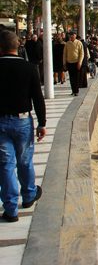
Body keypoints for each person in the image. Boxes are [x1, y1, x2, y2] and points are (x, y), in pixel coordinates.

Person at [0, 30, 46, 222]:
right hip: (22, 121)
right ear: (17, 46)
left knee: (6, 165)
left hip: (0, 121)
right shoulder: (28, 68)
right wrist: (42, 123)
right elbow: (38, 98)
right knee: (25, 161)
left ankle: (11, 209)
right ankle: (28, 196)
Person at [63, 31, 84, 96]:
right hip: (69, 62)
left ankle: (76, 91)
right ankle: (73, 90)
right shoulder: (67, 44)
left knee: (76, 77)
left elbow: (81, 53)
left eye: (73, 35)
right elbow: (64, 54)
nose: (72, 36)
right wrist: (64, 63)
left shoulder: (79, 43)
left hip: (76, 62)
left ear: (75, 35)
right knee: (71, 78)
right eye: (70, 35)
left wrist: (80, 62)